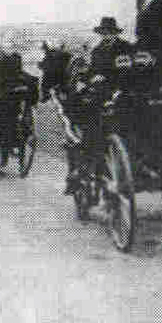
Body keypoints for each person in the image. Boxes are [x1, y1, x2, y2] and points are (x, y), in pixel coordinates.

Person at [63, 17, 132, 195]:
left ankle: (86, 153)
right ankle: (83, 144)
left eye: (110, 32)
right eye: (104, 33)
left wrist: (106, 79)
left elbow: (126, 73)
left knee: (94, 115)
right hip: (101, 91)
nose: (107, 36)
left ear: (116, 33)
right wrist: (87, 78)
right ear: (101, 34)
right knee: (78, 103)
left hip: (119, 90)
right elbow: (92, 72)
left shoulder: (124, 49)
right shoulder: (97, 51)